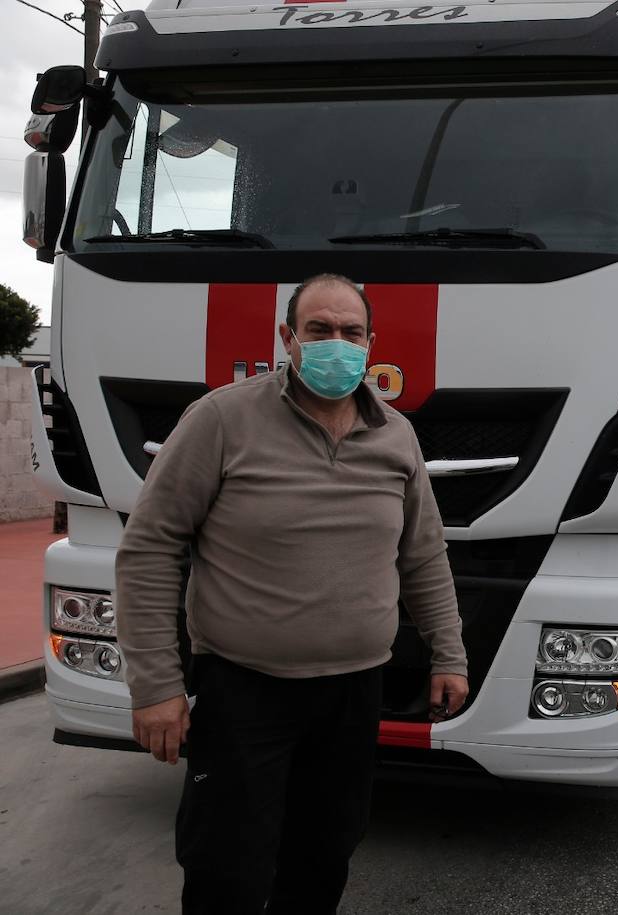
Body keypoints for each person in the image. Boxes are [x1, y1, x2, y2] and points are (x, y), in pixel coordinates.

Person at [116, 273, 469, 912]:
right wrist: (156, 687)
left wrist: (449, 654)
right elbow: (149, 548)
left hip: (354, 693)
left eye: (351, 332)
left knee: (322, 859)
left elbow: (422, 555)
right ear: (289, 338)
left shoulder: (396, 435)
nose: (337, 344)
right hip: (244, 691)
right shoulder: (221, 419)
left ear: (371, 343)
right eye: (320, 330)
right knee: (228, 869)